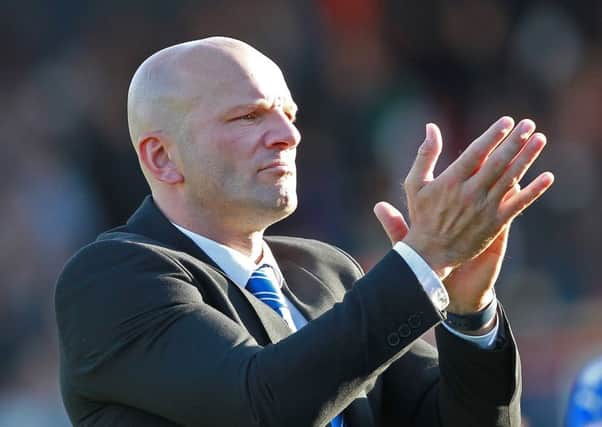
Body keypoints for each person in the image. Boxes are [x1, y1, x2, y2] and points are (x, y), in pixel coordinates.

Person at [55, 37, 554, 426]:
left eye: (288, 115)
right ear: (162, 157)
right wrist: (422, 261)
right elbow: (261, 406)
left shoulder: (325, 271)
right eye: (248, 116)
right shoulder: (111, 278)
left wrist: (469, 313)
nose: (288, 135)